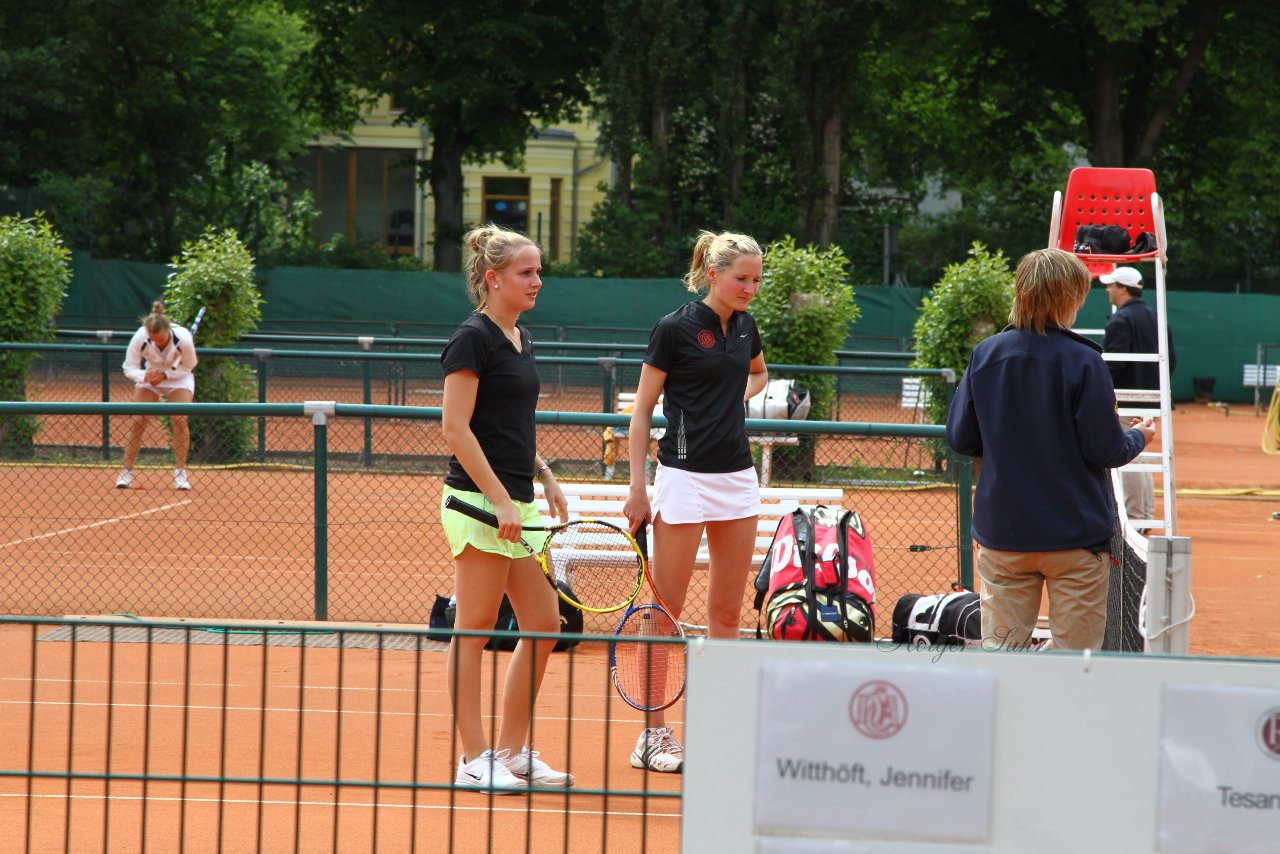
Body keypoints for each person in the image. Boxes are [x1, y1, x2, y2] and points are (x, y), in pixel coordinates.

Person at [945, 249, 1156, 651]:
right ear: (1071, 297)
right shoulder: (1084, 360)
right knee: (1076, 666)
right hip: (1073, 536)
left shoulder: (985, 354)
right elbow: (1105, 449)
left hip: (1002, 534)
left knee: (1002, 658)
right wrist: (1139, 437)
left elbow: (961, 438)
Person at [622, 230, 769, 772]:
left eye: (756, 279)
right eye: (741, 278)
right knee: (666, 614)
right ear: (713, 273)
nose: (750, 288)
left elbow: (758, 374)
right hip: (681, 478)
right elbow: (641, 411)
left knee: (727, 613)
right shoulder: (674, 328)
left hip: (737, 480)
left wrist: (736, 395)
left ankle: (718, 725)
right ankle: (652, 734)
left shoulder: (747, 326)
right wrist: (638, 487)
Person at [439, 224, 572, 793]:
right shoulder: (472, 339)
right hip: (476, 503)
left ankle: (513, 753)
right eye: (527, 273)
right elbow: (455, 427)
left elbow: (509, 427)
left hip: (518, 501)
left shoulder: (521, 337)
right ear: (493, 279)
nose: (537, 281)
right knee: (473, 629)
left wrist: (546, 478)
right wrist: (497, 497)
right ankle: (473, 757)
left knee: (544, 623)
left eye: (538, 271)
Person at [1101, 266, 1175, 532]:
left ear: (1122, 288)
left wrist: (1100, 390)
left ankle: (1135, 517)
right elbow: (1171, 362)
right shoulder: (1157, 317)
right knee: (1140, 456)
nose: (1107, 289)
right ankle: (1142, 515)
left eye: (1111, 285)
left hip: (1126, 399)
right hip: (1151, 399)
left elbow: (1114, 365)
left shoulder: (1120, 320)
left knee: (1129, 456)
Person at [116, 301, 198, 491]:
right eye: (153, 340)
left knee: (179, 419)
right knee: (138, 421)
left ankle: (180, 473)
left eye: (160, 340)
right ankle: (126, 473)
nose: (157, 343)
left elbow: (189, 365)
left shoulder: (183, 338)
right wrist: (145, 376)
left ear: (168, 331)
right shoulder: (140, 336)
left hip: (179, 378)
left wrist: (166, 375)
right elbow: (129, 367)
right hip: (149, 377)